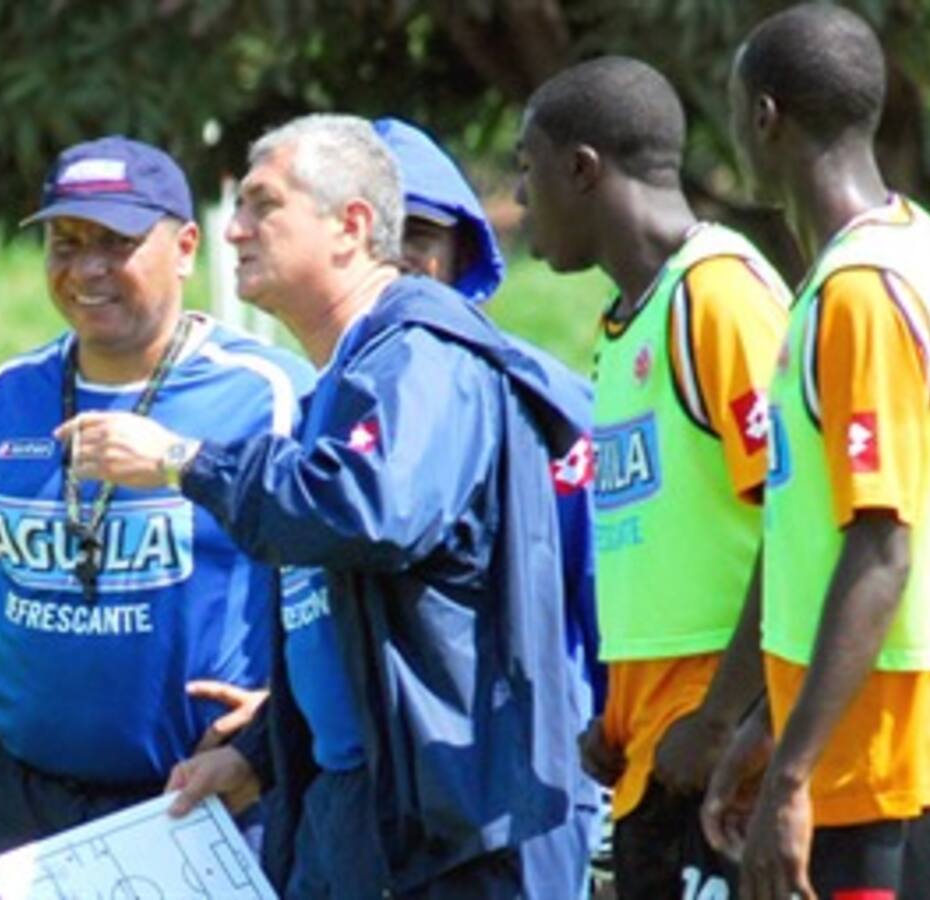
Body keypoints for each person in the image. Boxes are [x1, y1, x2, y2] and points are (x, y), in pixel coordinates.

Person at [59, 114, 588, 898]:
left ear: (351, 226)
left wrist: (183, 461)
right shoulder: (340, 385)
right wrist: (260, 753)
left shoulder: (424, 354)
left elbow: (371, 509)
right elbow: (346, 624)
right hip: (352, 815)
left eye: (264, 205)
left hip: (454, 836)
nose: (234, 230)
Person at [0, 135, 314, 879]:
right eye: (66, 243)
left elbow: (342, 590)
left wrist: (279, 721)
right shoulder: (11, 394)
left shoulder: (268, 394)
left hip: (198, 799)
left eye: (116, 242)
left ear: (185, 247)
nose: (86, 269)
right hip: (23, 805)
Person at [701, 5, 930, 898]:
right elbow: (817, 530)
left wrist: (793, 777)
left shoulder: (862, 293)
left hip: (887, 765)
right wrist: (771, 719)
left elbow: (882, 547)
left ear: (764, 116)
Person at [515, 56, 792, 899]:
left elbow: (801, 525)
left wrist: (725, 720)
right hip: (653, 755)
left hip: (722, 763)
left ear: (581, 169)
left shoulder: (719, 298)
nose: (519, 197)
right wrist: (617, 718)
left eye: (527, 169)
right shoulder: (625, 324)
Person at [375, 115, 604, 899]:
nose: (395, 257)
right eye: (373, 232)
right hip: (372, 800)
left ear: (463, 251)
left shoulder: (541, 400)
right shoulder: (317, 405)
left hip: (521, 792)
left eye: (418, 234)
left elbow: (599, 591)